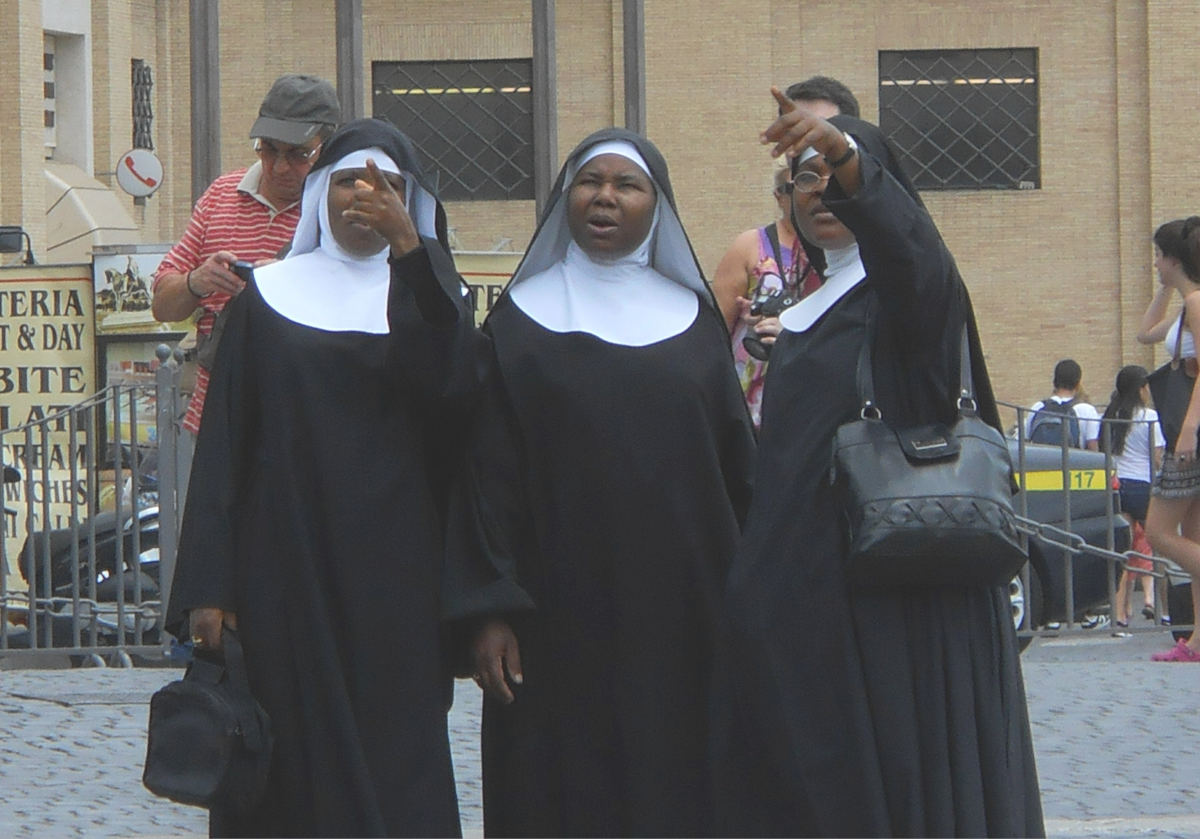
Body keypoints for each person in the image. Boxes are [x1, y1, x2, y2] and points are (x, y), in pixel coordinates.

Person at [711, 90, 1044, 836]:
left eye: (835, 172)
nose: (822, 189)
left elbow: (910, 251)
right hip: (812, 607)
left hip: (896, 609)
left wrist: (847, 158)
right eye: (805, 175)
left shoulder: (909, 294)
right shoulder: (808, 306)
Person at [166, 118, 483, 836]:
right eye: (346, 180)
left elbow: (455, 395)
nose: (363, 197)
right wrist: (209, 586)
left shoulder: (435, 299)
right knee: (287, 756)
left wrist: (411, 251)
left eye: (387, 186)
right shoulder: (267, 299)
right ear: (318, 196)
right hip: (284, 566)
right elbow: (226, 444)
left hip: (400, 573)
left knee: (396, 752)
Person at [443, 128, 756, 836]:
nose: (606, 197)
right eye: (590, 182)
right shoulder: (519, 325)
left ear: (657, 204)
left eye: (627, 185)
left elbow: (737, 471)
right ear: (565, 198)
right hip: (552, 621)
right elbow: (486, 482)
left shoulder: (697, 325)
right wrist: (489, 608)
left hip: (685, 618)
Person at [152, 73, 340, 439]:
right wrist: (196, 282)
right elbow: (162, 306)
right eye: (268, 149)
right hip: (217, 420)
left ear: (328, 149)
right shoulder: (221, 194)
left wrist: (292, 285)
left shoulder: (339, 210)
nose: (280, 167)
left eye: (298, 154)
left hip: (305, 421)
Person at [712, 77, 858, 427]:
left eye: (821, 130)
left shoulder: (874, 250)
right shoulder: (751, 246)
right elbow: (710, 340)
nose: (806, 136)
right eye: (792, 126)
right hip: (757, 423)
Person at [1138, 217, 1200, 662]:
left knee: (1159, 531)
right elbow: (1144, 333)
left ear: (1174, 258)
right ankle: (1197, 640)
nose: (1155, 263)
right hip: (1186, 430)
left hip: (1188, 433)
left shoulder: (1196, 303)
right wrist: (1166, 286)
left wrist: (1189, 431)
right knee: (1193, 534)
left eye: (1159, 256)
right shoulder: (1187, 304)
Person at [1101, 365, 1164, 630]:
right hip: (1143, 485)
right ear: (1141, 388)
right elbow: (1158, 456)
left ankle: (1120, 612)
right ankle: (1164, 609)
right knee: (1161, 547)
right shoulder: (1149, 416)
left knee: (1122, 553)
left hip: (1117, 485)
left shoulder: (1109, 416)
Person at [1024, 359, 1102, 450]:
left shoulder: (1037, 407)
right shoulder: (1087, 410)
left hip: (1042, 462)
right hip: (1074, 462)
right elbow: (1093, 449)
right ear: (1077, 384)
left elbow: (1027, 441)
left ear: (1054, 382)